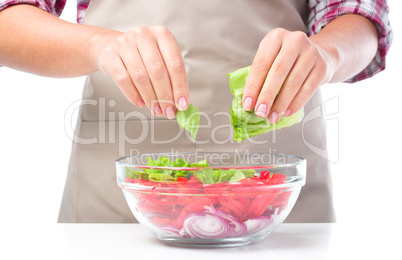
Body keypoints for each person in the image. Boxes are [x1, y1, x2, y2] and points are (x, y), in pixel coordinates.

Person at [0, 0, 392, 223]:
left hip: (277, 202)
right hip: (115, 200)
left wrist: (327, 52)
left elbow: (358, 14)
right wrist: (99, 47)